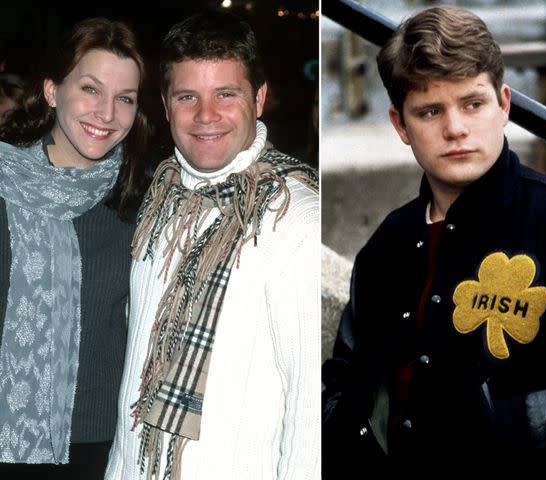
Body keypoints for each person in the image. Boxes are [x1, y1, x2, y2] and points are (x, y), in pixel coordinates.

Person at [322, 6, 546, 480]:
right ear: (400, 125)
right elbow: (344, 376)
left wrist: (497, 418)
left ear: (504, 104)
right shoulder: (389, 242)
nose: (455, 128)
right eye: (431, 111)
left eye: (473, 104)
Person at [105, 10, 319, 480]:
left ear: (259, 98)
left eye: (226, 94)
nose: (206, 115)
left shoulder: (297, 217)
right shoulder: (160, 199)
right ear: (165, 106)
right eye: (188, 97)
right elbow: (135, 369)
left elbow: (310, 416)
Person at [0, 17, 150, 479]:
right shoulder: (5, 181)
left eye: (124, 98)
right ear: (51, 90)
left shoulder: (140, 198)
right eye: (90, 89)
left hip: (102, 442)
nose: (106, 113)